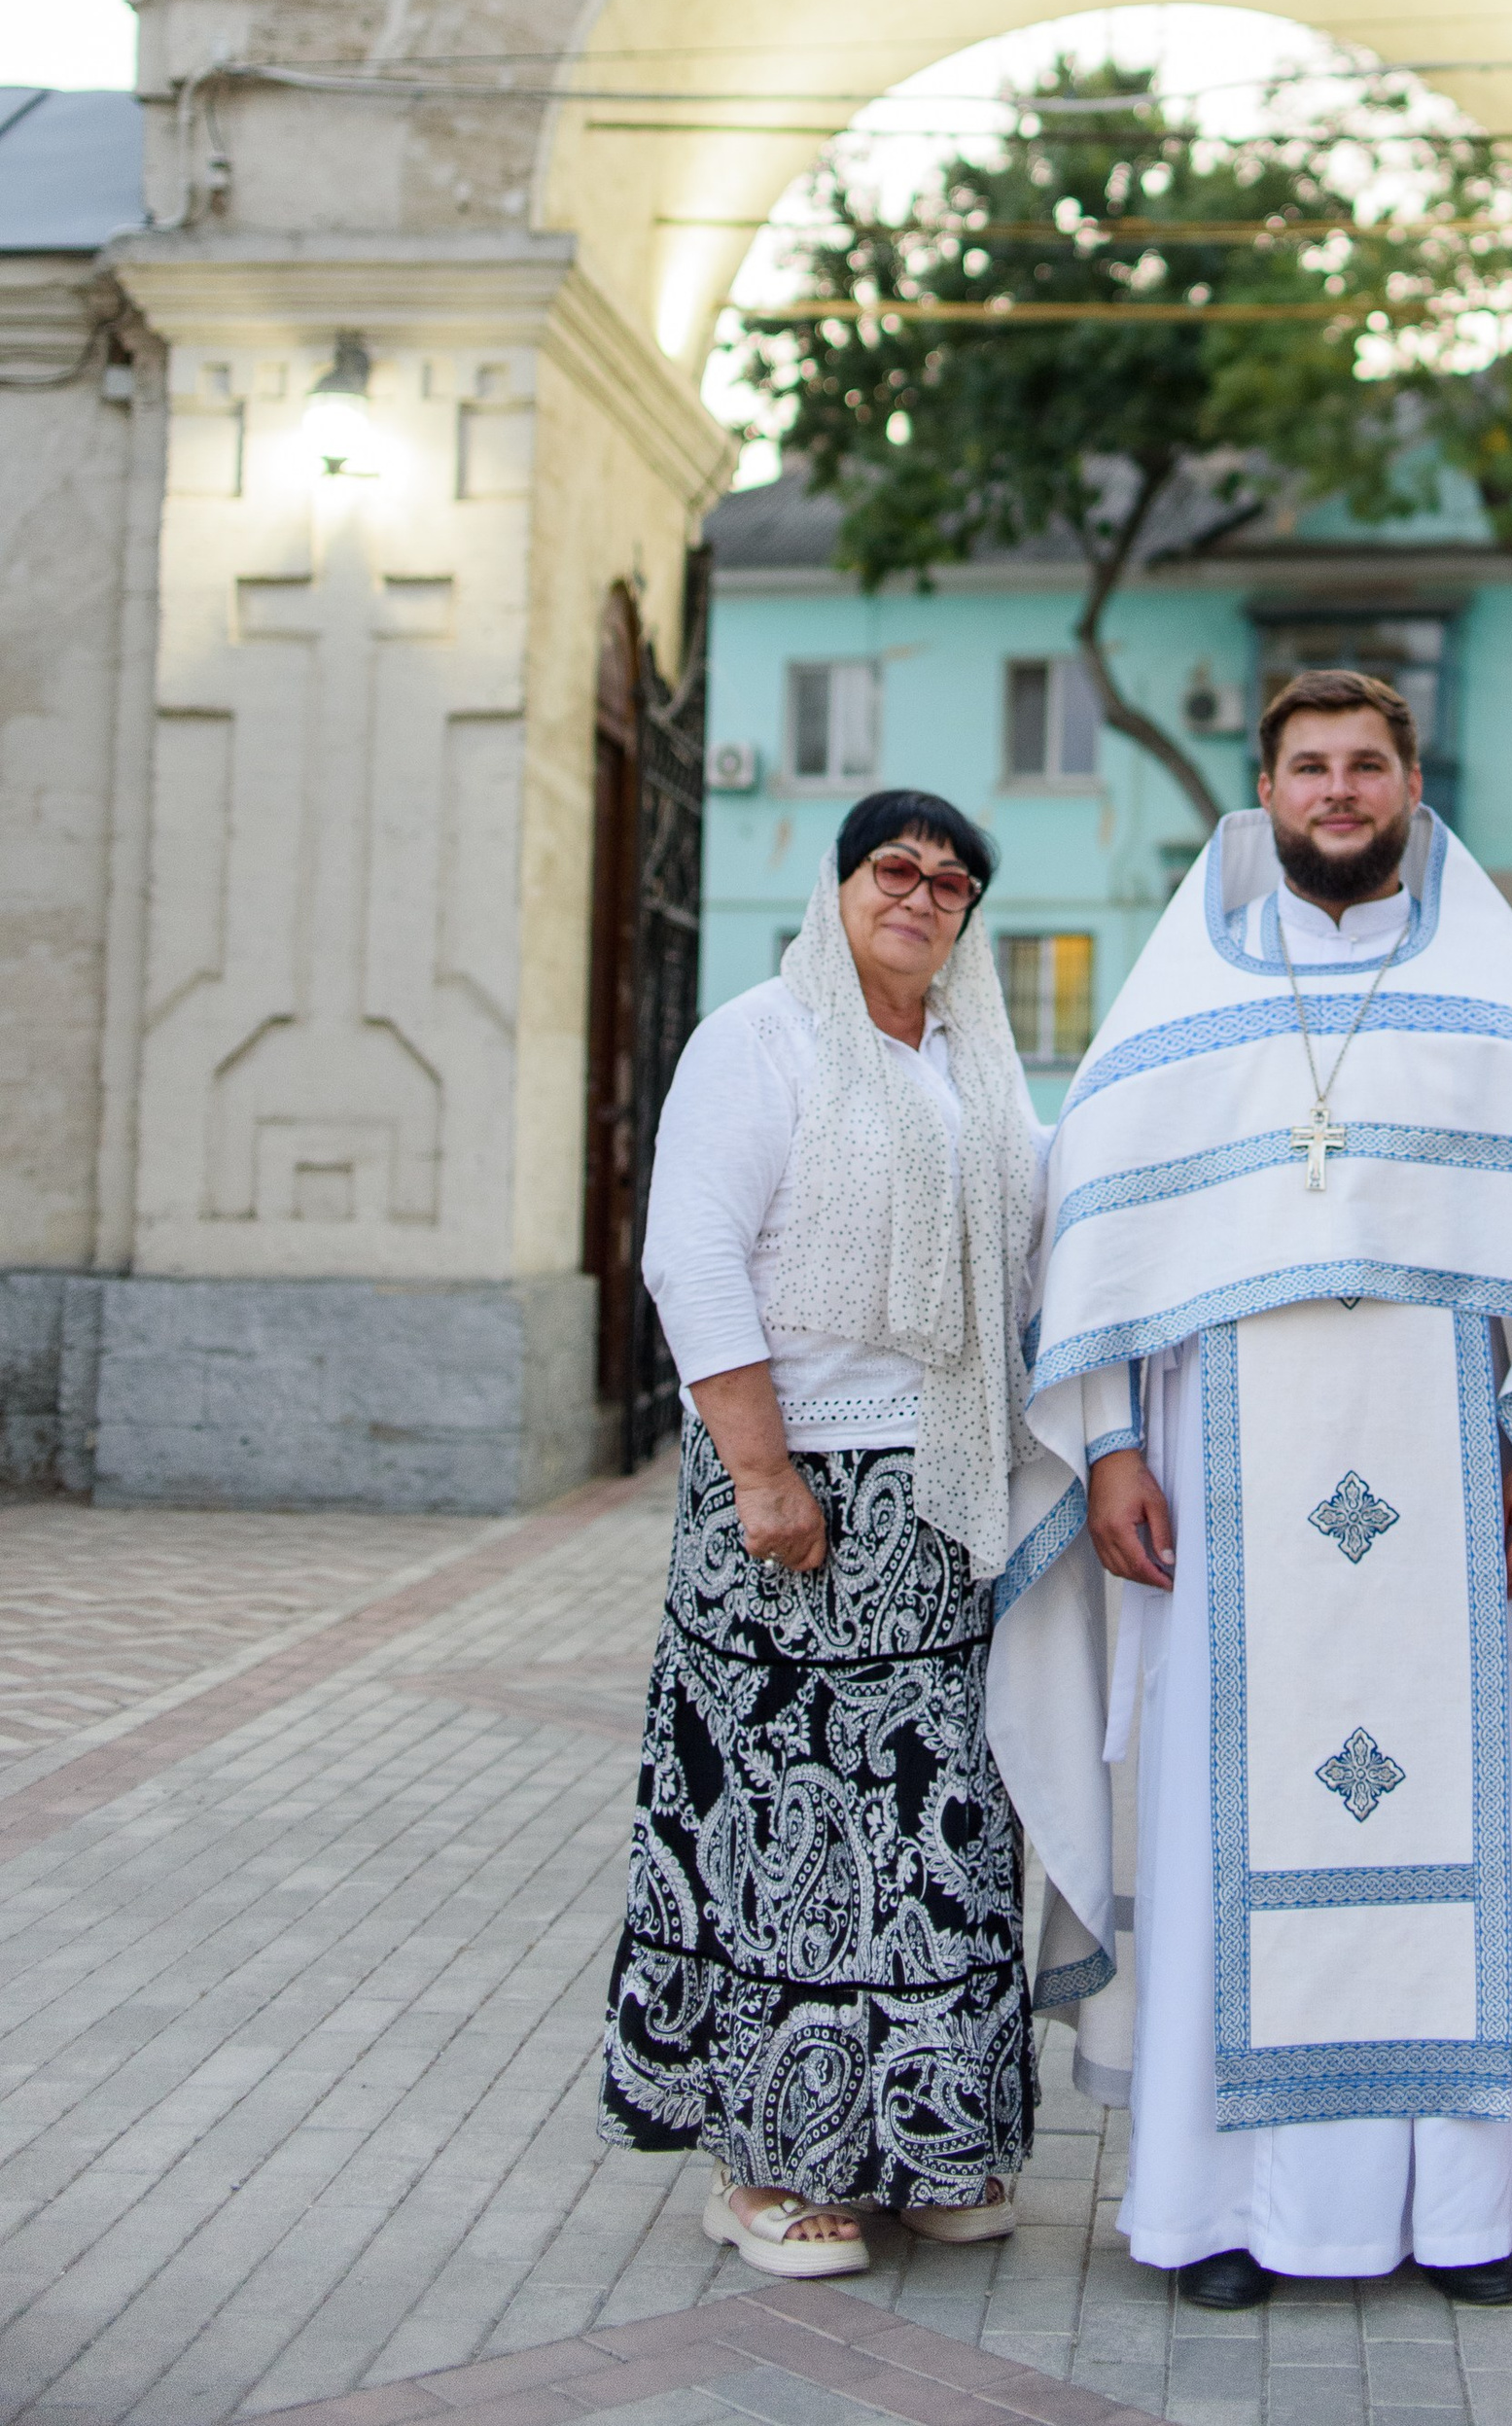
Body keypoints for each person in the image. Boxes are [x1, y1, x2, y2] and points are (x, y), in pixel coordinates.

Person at [987, 672, 1512, 2308]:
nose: (1337, 794)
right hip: (1228, 1496)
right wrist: (1117, 1445)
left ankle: (1463, 2215)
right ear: (1262, 788)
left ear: (1414, 782)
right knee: (1232, 1828)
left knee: (1454, 1824)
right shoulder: (1179, 994)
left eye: (1365, 767)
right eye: (1308, 769)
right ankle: (1223, 2215)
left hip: (1450, 1492)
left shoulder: (1498, 997)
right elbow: (1102, 1230)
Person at [600, 790, 1044, 2278]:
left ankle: (926, 2141)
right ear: (838, 886)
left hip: (944, 1499)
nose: (922, 896)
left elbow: (1044, 1248)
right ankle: (770, 2166)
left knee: (935, 1830)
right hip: (795, 1500)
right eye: (894, 870)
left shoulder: (979, 1064)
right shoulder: (762, 1039)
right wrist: (762, 1473)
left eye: (952, 882)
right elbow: (692, 1251)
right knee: (787, 1829)